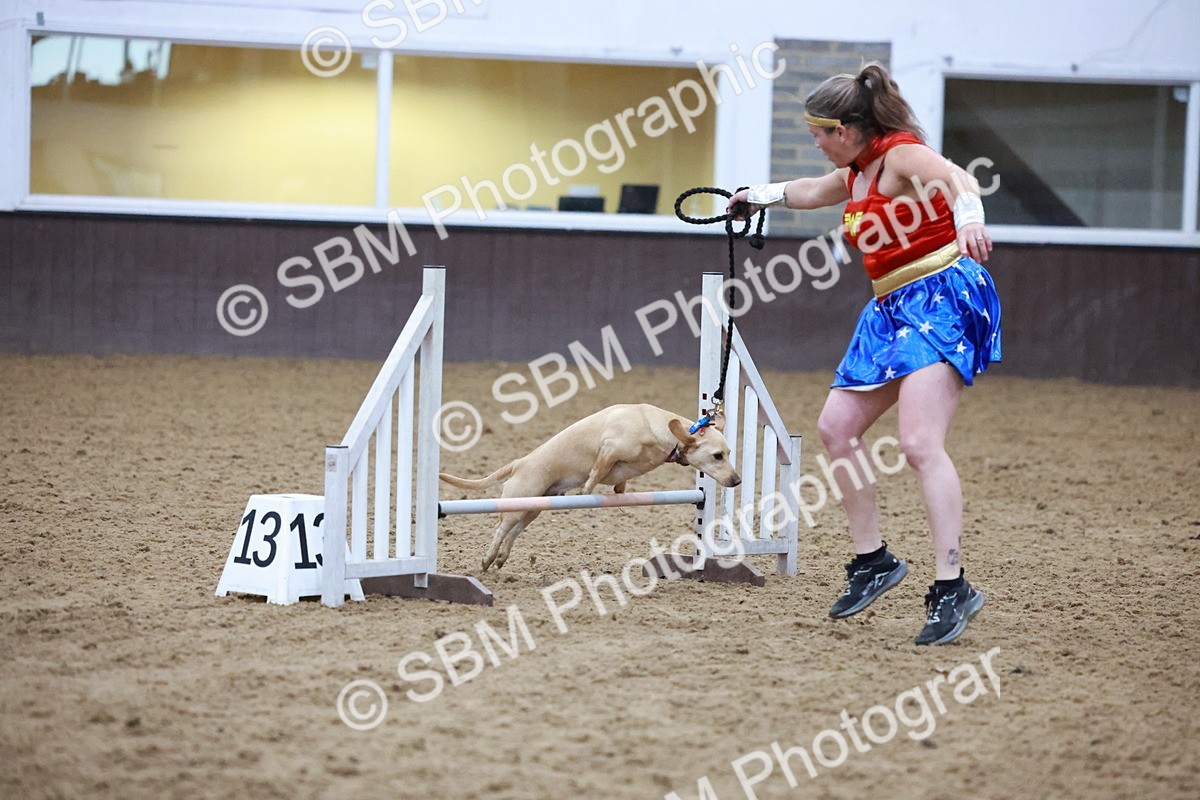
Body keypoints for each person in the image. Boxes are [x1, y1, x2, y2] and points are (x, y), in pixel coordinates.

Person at [728, 62, 1001, 645]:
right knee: (836, 427)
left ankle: (952, 585)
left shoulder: (901, 154)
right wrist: (759, 196)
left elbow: (959, 179)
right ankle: (872, 559)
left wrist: (970, 220)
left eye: (820, 134)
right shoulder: (853, 173)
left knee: (919, 444)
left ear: (847, 128)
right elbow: (807, 193)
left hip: (943, 297)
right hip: (889, 308)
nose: (817, 144)